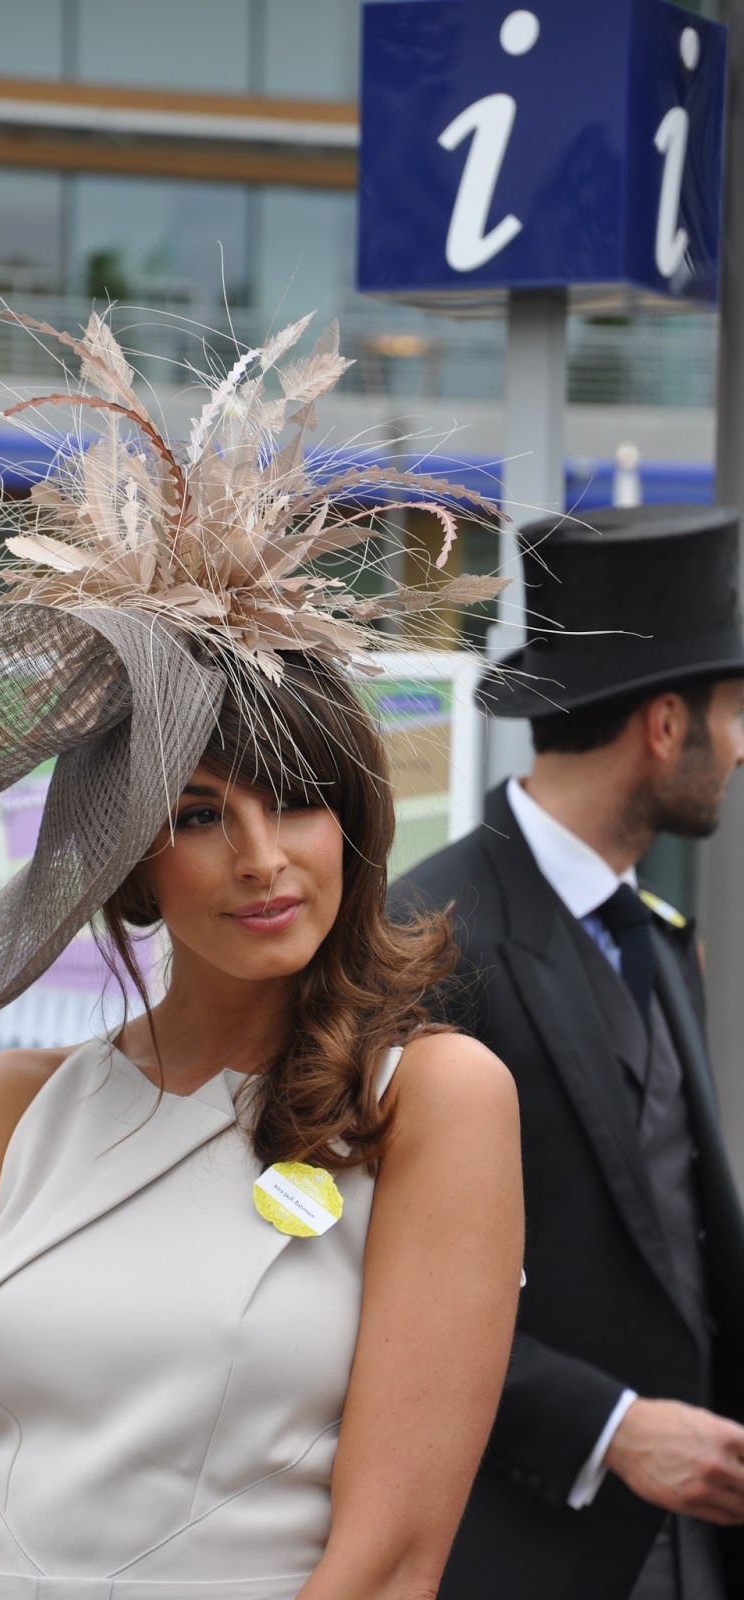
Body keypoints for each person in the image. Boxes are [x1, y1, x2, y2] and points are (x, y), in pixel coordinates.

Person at [0, 310, 523, 1600]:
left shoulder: (431, 1102)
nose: (264, 858)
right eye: (201, 815)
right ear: (132, 865)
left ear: (356, 820)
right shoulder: (3, 1117)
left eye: (300, 798)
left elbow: (388, 1558)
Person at [391, 505, 744, 1600]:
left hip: (696, 1550)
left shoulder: (657, 937)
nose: (743, 745)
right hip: (523, 1552)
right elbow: (367, 1279)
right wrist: (608, 1426)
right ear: (666, 724)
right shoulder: (428, 934)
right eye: (733, 714)